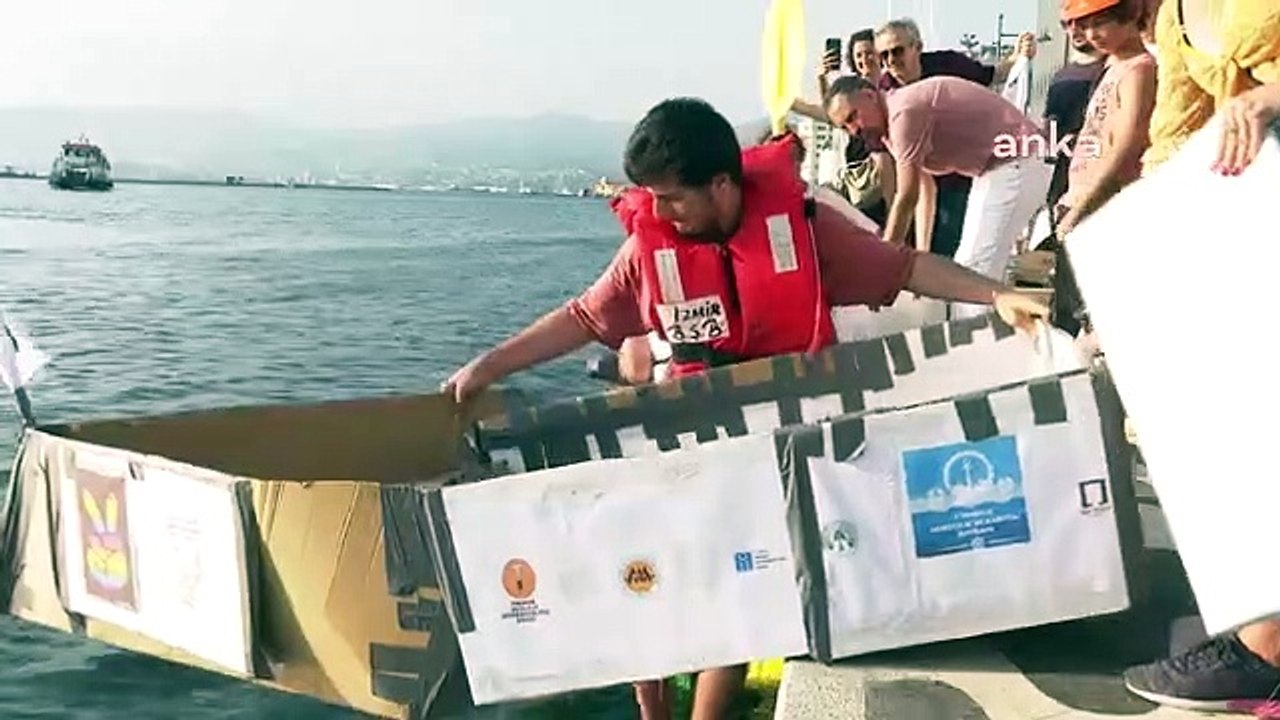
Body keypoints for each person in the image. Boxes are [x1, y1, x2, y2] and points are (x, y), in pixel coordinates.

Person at [443, 97, 1050, 720]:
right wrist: (489, 366)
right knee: (645, 585)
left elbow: (906, 268)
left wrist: (997, 294)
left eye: (674, 197)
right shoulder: (651, 251)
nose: (659, 211)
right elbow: (582, 318)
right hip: (688, 443)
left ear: (723, 184)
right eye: (651, 196)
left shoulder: (805, 233)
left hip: (777, 452)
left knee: (739, 595)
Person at [1116, 0, 1280, 711]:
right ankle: (1260, 637)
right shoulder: (1176, 16)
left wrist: (1270, 96)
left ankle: (1263, 647)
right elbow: (1173, 133)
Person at [824, 75, 1053, 319]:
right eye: (845, 127)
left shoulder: (903, 114)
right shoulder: (893, 125)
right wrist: (921, 254)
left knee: (976, 273)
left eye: (852, 117)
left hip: (1017, 162)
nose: (854, 130)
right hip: (1006, 165)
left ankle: (981, 349)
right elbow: (924, 190)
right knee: (974, 270)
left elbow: (906, 197)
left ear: (869, 96)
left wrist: (882, 269)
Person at [873, 18, 1038, 260]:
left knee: (973, 253)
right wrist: (922, 249)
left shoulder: (948, 64)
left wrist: (1019, 57)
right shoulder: (887, 94)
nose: (890, 61)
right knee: (962, 254)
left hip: (980, 170)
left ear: (917, 47)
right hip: (936, 174)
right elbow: (918, 182)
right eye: (883, 56)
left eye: (897, 51)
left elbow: (993, 75)